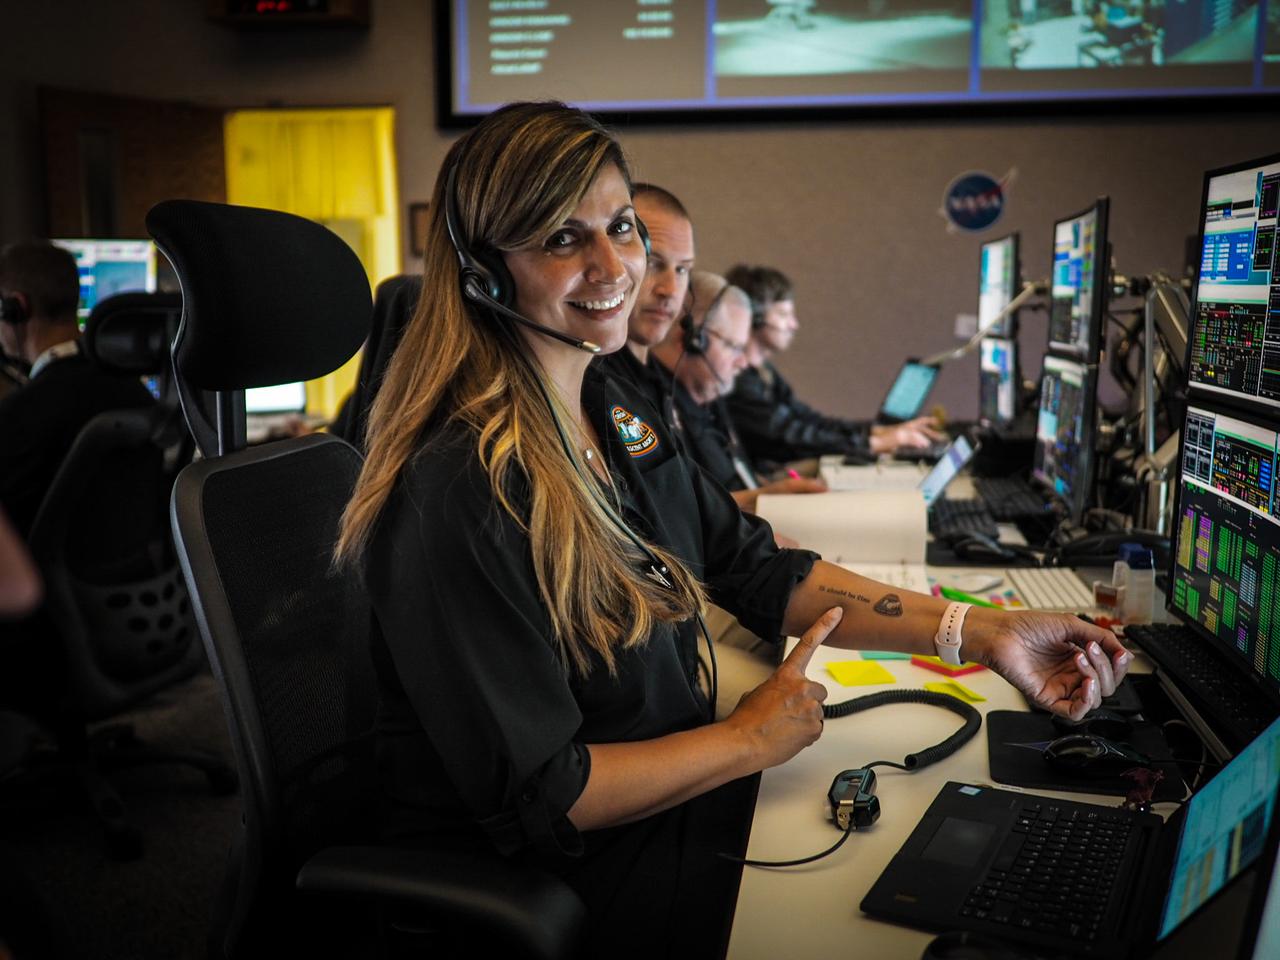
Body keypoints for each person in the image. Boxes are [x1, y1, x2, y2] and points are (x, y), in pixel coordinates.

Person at [335, 101, 1130, 958]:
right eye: (563, 239)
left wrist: (985, 632)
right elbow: (548, 794)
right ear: (487, 272)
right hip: (571, 878)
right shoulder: (460, 485)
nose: (617, 267)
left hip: (676, 802)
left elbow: (750, 566)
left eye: (622, 227)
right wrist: (745, 739)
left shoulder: (608, 407)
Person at [0, 242, 156, 539]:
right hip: (139, 576)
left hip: (45, 583)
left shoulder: (21, 415)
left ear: (17, 307)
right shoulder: (134, 389)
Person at [724, 263, 944, 470]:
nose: (794, 324)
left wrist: (876, 432)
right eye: (783, 314)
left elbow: (809, 421)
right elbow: (791, 436)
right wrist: (874, 443)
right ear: (755, 317)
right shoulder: (738, 381)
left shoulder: (765, 374)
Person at [648, 269, 825, 515]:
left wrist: (776, 489)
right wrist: (761, 497)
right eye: (735, 347)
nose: (743, 363)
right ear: (694, 341)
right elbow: (678, 514)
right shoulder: (653, 407)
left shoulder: (710, 399)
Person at [595, 183, 694, 412]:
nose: (670, 290)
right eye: (653, 263)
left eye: (682, 270)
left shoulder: (668, 384)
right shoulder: (590, 385)